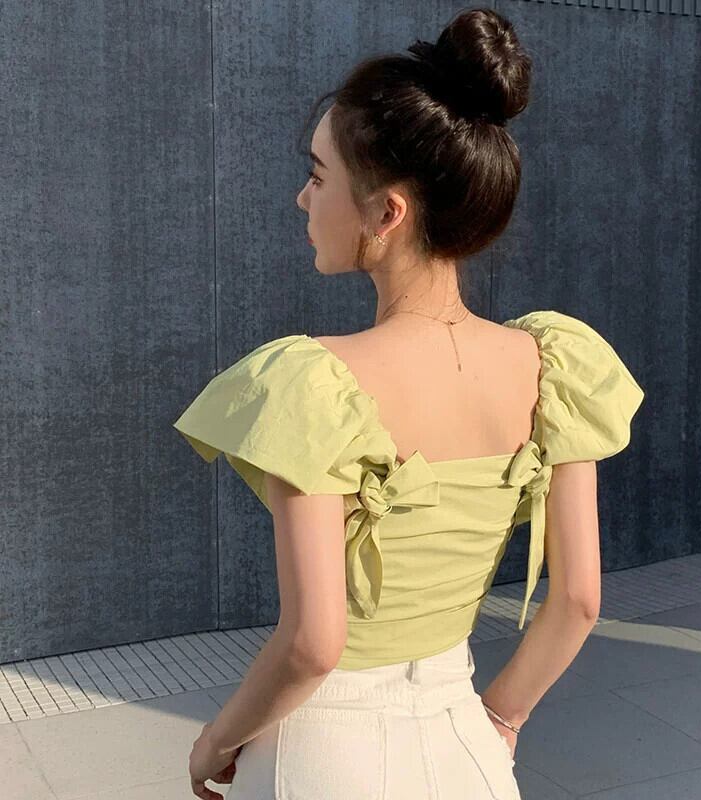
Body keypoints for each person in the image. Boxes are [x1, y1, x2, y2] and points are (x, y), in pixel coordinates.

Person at [175, 7, 645, 799]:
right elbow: (577, 600)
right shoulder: (555, 367)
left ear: (386, 212)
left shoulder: (311, 384)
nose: (301, 198)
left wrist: (214, 743)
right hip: (461, 740)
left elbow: (313, 645)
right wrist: (500, 720)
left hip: (321, 751)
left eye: (318, 176)